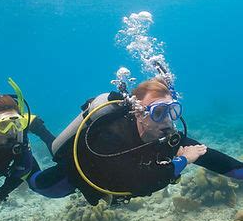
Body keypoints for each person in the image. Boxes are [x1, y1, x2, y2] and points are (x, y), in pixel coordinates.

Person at [29, 73, 243, 206]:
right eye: (159, 112)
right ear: (139, 113)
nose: (168, 120)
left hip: (119, 184)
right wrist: (183, 161)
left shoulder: (167, 135)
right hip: (76, 176)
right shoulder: (112, 136)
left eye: (173, 111)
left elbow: (210, 156)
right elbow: (139, 183)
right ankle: (35, 137)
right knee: (37, 184)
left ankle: (40, 132)